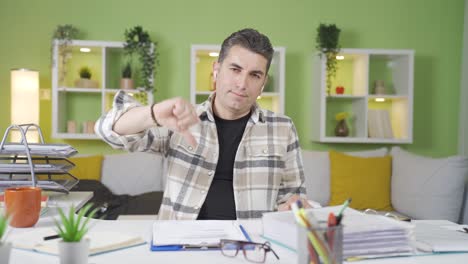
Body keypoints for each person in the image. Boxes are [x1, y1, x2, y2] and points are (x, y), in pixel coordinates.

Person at [95, 28, 309, 220]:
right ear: (216, 70)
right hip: (180, 246)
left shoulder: (283, 128)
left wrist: (294, 207)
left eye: (254, 75)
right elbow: (108, 131)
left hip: (252, 249)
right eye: (235, 69)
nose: (242, 84)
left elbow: (293, 196)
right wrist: (152, 113)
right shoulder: (180, 119)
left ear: (263, 83)